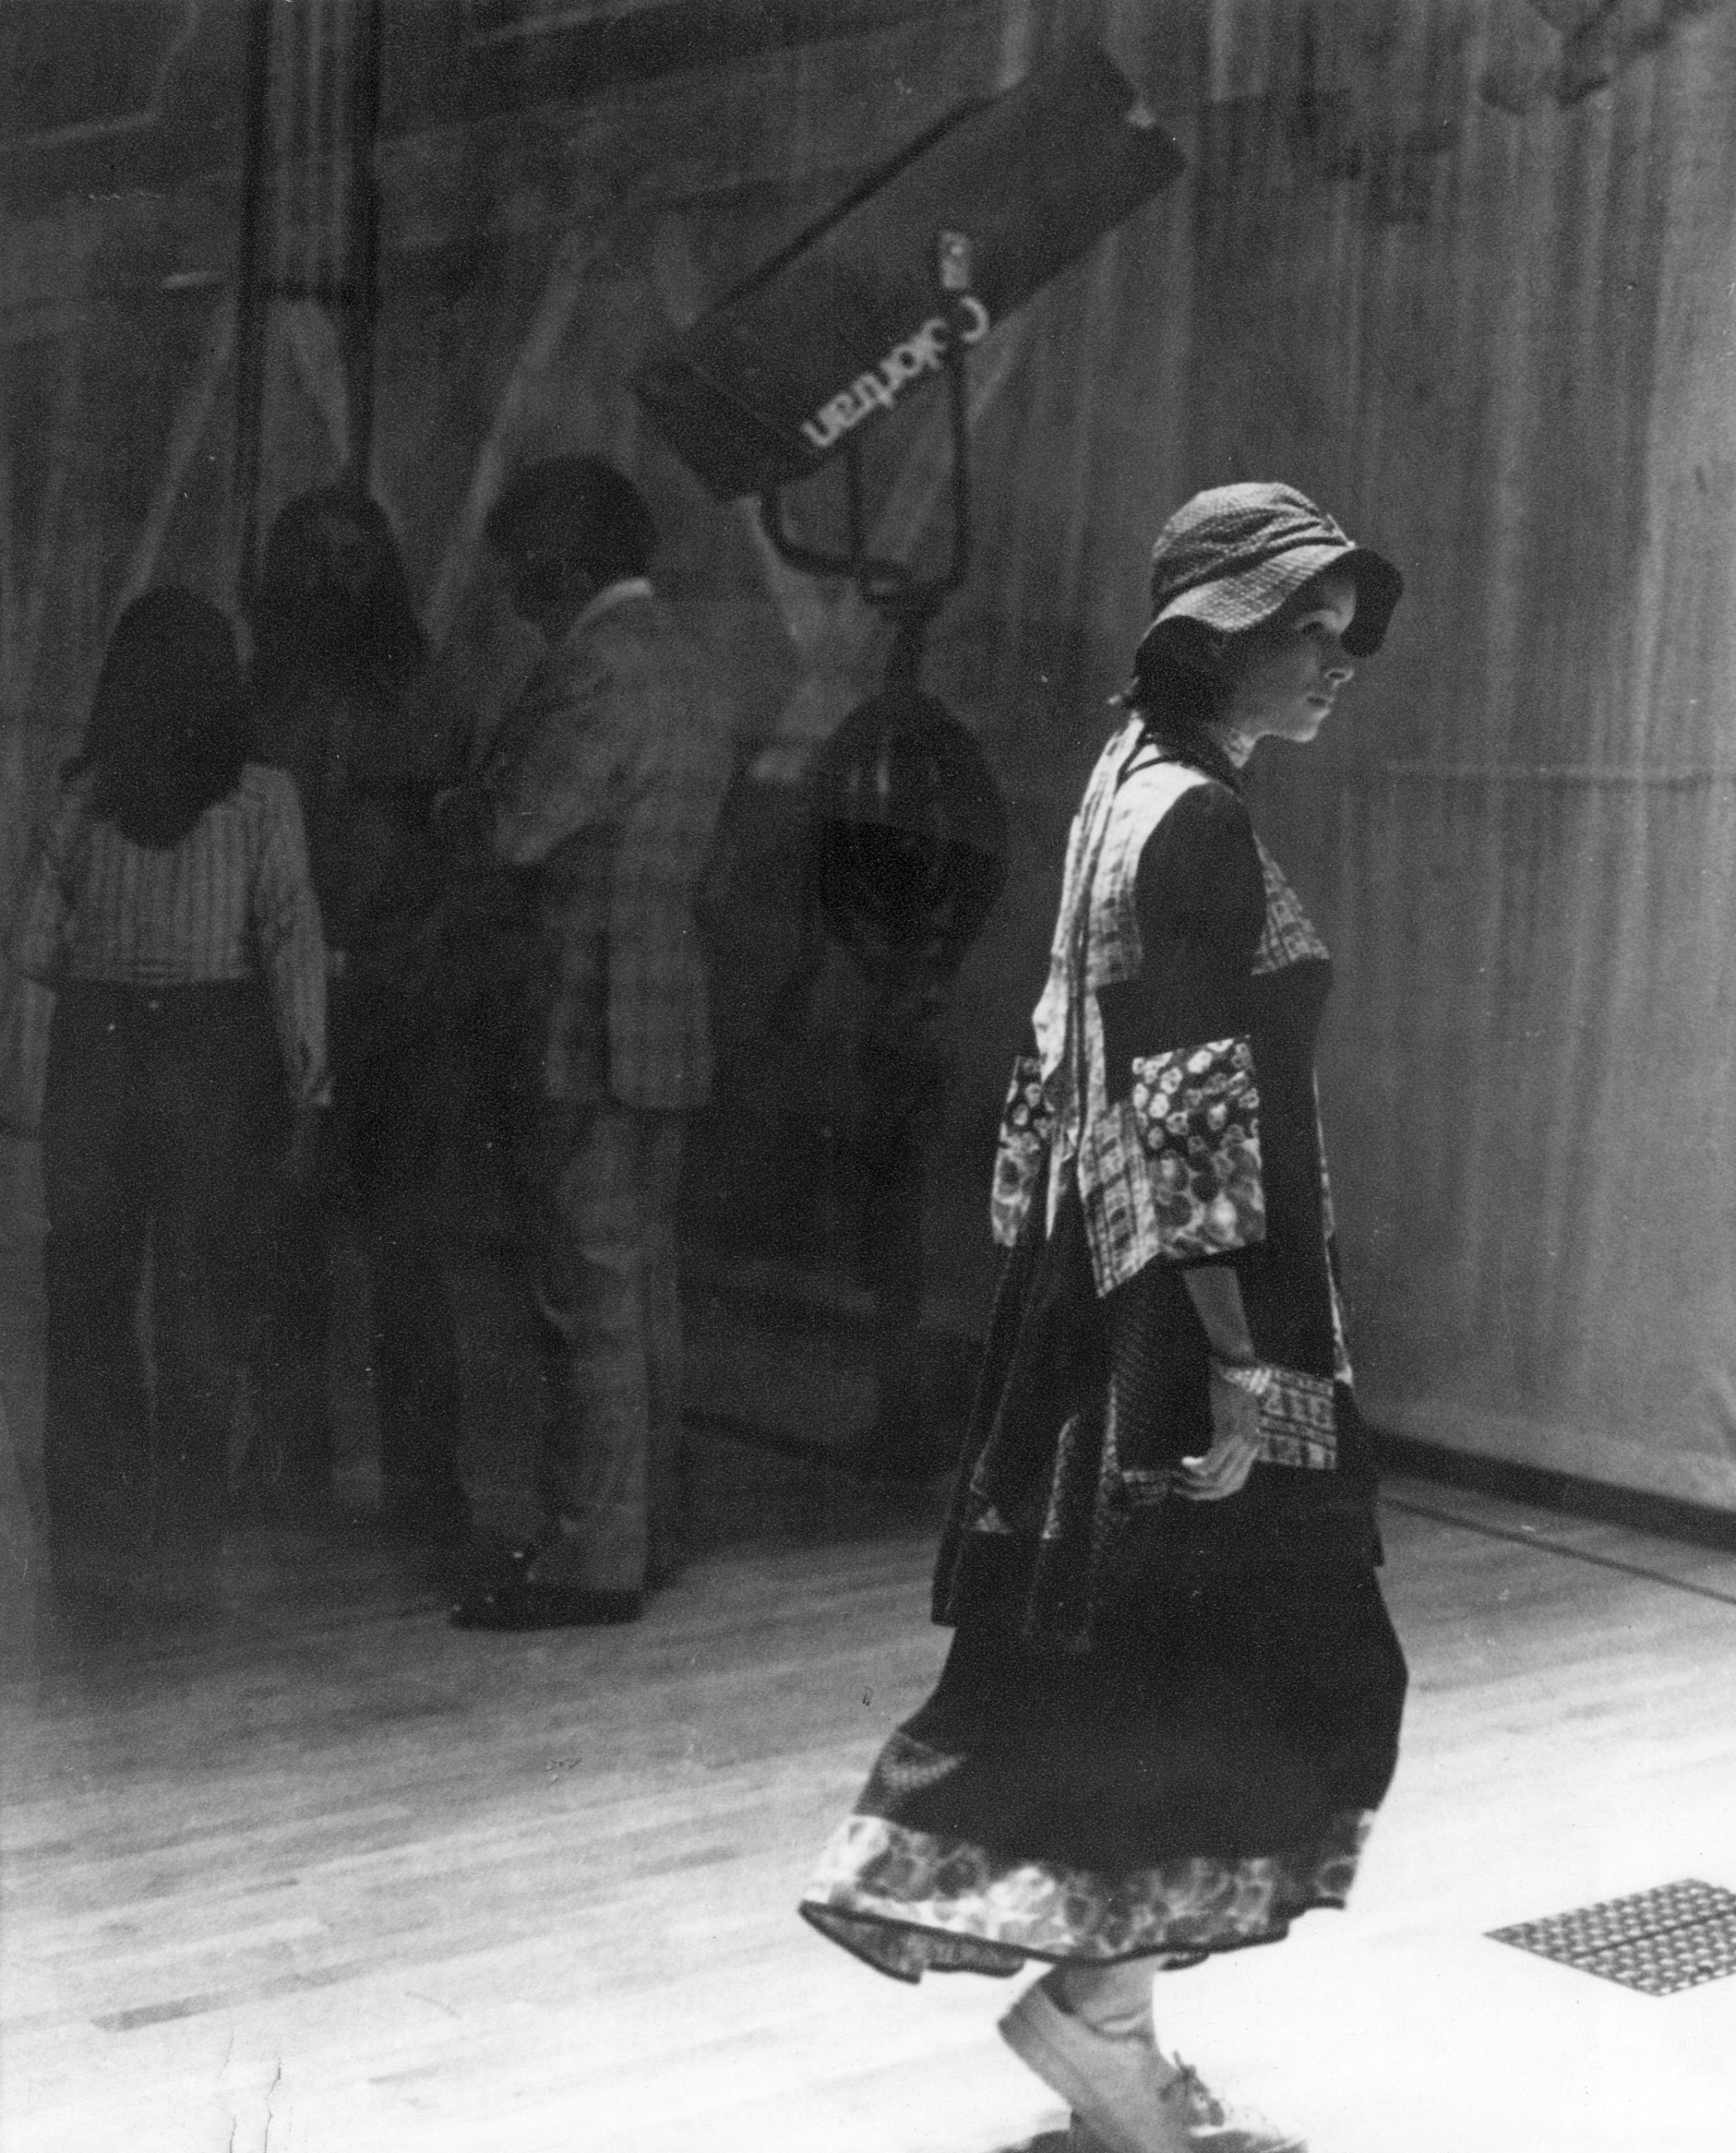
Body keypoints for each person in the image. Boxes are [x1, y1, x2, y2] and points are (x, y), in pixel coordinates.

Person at [798, 484, 1410, 2153]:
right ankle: (1104, 2028)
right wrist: (1230, 1360)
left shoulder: (1123, 784)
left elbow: (1068, 1056)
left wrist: (1055, 1257)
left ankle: (1118, 2029)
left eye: (1341, 633)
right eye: (1308, 629)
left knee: (1150, 1657)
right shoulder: (1191, 820)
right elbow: (1188, 1095)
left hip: (1109, 1292)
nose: (1336, 660)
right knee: (1248, 1652)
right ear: (1213, 633)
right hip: (1196, 1313)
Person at [449, 455, 733, 1630]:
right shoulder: (688, 664)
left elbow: (514, 831)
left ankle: (587, 1558)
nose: (513, 586)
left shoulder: (592, 671)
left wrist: (446, 808)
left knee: (586, 1298)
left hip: (582, 1018)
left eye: (521, 563)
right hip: (664, 1009)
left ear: (560, 562)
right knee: (644, 1290)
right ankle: (644, 1533)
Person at [8, 588, 327, 1614]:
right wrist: (310, 1086)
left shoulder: (83, 792)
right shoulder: (263, 796)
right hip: (217, 1058)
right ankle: (183, 1557)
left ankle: (93, 1556)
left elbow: (32, 949)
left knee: (89, 1305)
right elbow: (290, 945)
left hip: (96, 1055)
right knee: (201, 1308)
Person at [248, 485, 471, 1546]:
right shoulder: (253, 702)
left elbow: (460, 845)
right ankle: (295, 1477)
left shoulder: (430, 696)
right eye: (318, 556)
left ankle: (427, 1494)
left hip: (397, 1002)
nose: (340, 579)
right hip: (283, 1003)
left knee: (408, 1255)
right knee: (281, 1247)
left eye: (359, 558)